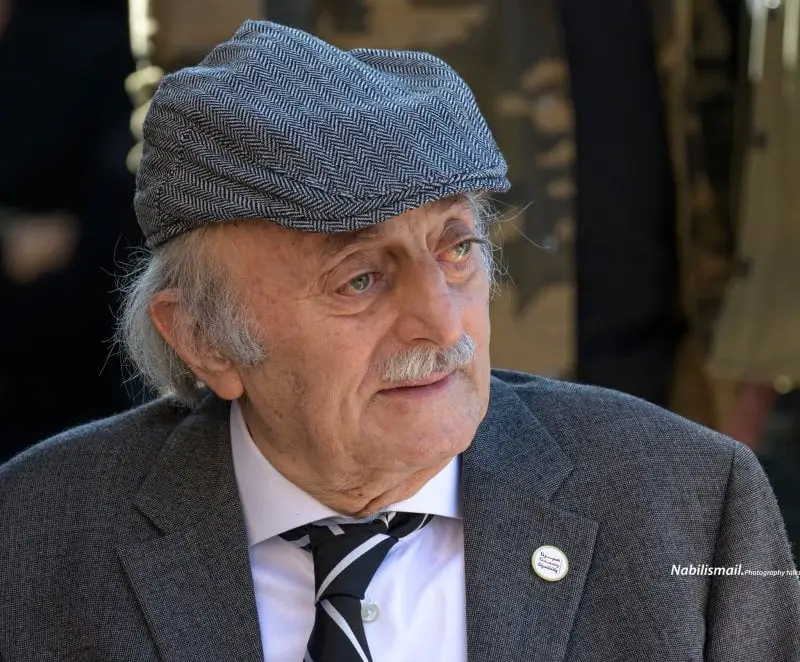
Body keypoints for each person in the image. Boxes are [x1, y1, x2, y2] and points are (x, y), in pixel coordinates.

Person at [0, 20, 798, 661]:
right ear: (204, 338)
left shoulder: (693, 502)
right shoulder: (33, 540)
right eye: (360, 280)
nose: (445, 326)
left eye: (458, 249)